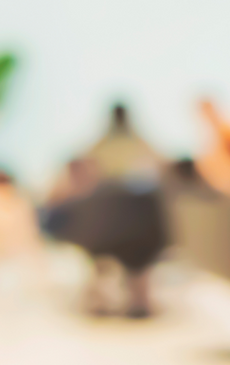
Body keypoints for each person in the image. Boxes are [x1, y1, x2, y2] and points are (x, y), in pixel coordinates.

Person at [44, 103, 169, 318]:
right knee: (137, 249)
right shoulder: (140, 145)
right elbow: (163, 167)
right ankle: (137, 299)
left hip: (105, 224)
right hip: (130, 222)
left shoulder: (97, 147)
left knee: (111, 254)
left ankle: (119, 297)